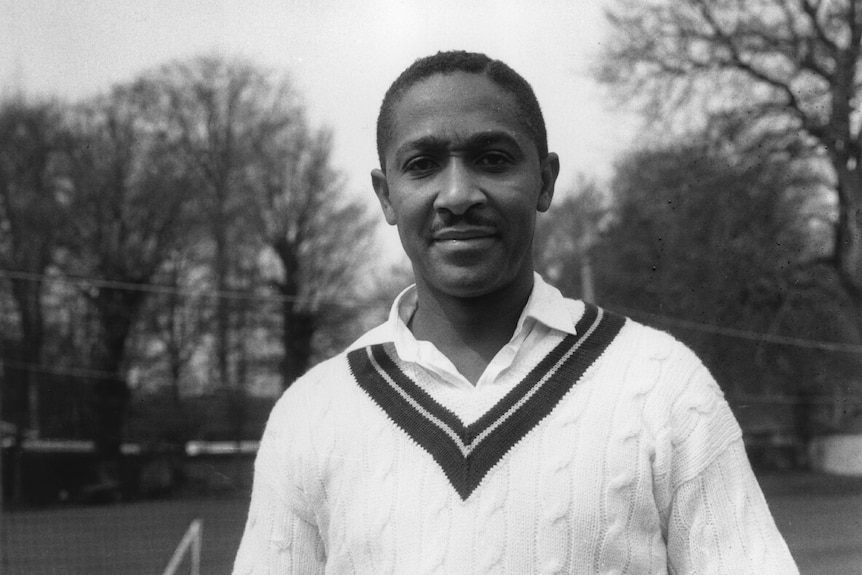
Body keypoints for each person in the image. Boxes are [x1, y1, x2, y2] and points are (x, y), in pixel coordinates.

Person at [232, 51, 798, 574]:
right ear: (386, 195)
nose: (457, 195)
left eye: (493, 159)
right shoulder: (311, 414)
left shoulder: (660, 384)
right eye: (423, 164)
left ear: (544, 181)